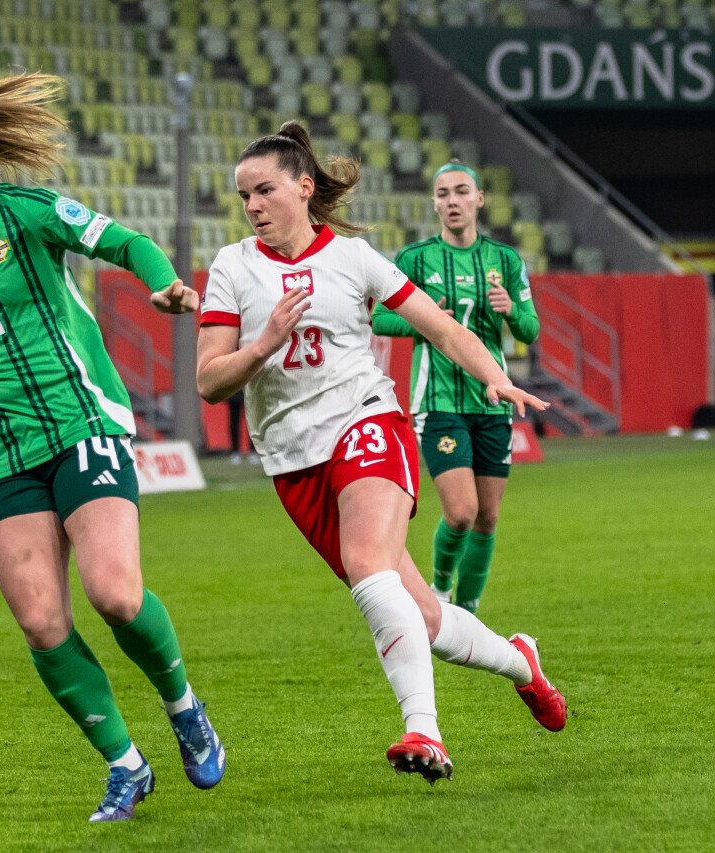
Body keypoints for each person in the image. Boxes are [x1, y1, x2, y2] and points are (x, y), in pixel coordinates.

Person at [0, 72, 225, 822]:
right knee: (40, 621)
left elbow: (121, 240)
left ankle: (184, 705)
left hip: (78, 420)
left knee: (115, 594)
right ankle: (125, 764)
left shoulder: (20, 211)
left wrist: (161, 283)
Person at [196, 122, 566, 784]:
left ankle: (424, 731)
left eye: (264, 190)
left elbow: (443, 329)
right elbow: (209, 380)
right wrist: (263, 344)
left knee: (369, 562)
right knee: (420, 616)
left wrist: (495, 376)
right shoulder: (232, 266)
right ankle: (522, 662)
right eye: (243, 195)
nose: (252, 206)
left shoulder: (353, 258)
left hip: (367, 422)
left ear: (303, 187)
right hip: (293, 461)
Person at [372, 161, 541, 614]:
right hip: (438, 399)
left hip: (493, 401)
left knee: (487, 518)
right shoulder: (415, 259)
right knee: (461, 512)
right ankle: (441, 589)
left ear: (479, 199)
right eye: (443, 193)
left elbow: (529, 330)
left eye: (462, 191)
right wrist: (426, 322)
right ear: (434, 203)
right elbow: (379, 318)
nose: (453, 201)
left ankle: (467, 614)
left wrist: (511, 311)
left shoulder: (505, 261)